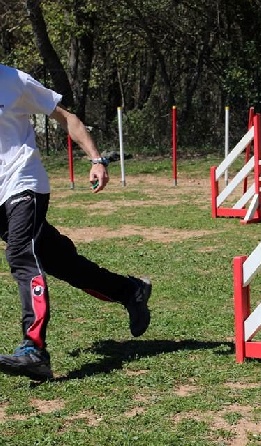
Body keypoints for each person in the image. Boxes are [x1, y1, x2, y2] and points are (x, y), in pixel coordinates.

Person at [0, 63, 152, 381]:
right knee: (59, 261)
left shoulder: (13, 80)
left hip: (23, 181)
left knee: (21, 256)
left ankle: (34, 350)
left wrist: (96, 159)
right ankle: (129, 290)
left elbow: (68, 118)